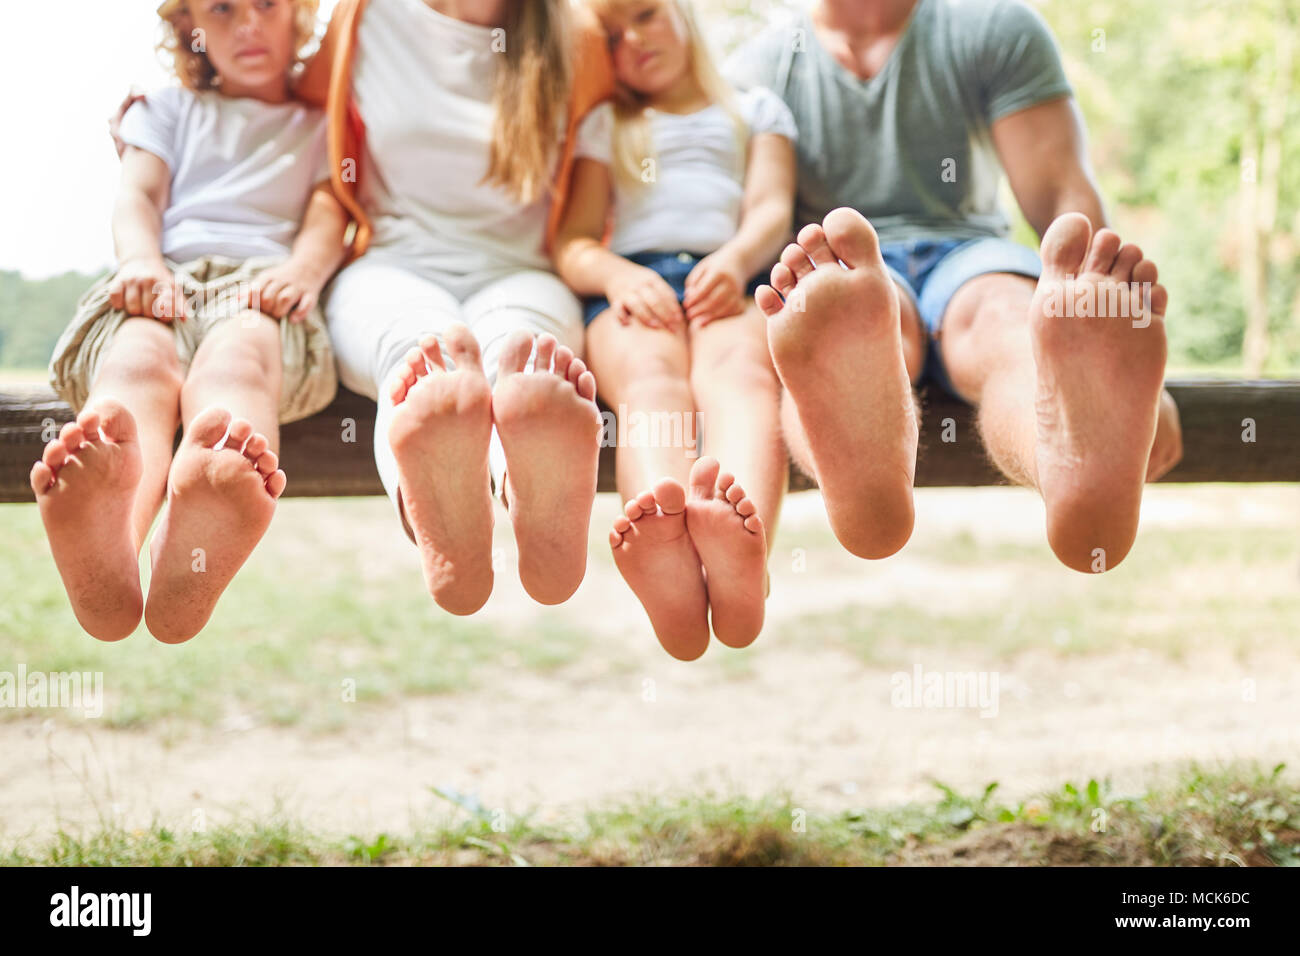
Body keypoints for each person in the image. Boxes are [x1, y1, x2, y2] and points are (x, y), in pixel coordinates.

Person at [730, 0, 1184, 573]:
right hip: (845, 272)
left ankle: (1069, 462)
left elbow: (1062, 195)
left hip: (967, 254)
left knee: (1000, 318)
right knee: (855, 322)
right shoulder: (759, 70)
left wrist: (1100, 317)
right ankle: (864, 467)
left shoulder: (991, 27)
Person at [35, 0, 347, 644]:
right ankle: (112, 537)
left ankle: (206, 499)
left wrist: (305, 273)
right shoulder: (166, 109)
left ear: (300, 17)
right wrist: (141, 263)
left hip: (262, 285)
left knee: (239, 362)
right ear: (190, 29)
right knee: (137, 362)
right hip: (165, 278)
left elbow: (327, 217)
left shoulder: (323, 126)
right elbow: (138, 196)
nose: (248, 25)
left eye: (266, 5)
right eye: (223, 10)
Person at [292, 0, 616, 614]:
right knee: (416, 354)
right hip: (392, 263)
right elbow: (276, 100)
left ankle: (523, 493)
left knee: (517, 353)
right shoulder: (364, 18)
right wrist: (174, 127)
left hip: (523, 270)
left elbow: (657, 106)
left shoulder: (578, 36)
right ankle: (450, 520)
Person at [554, 0, 796, 660]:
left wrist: (737, 261)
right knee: (651, 382)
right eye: (612, 36)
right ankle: (669, 551)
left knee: (744, 378)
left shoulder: (753, 110)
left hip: (732, 279)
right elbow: (573, 242)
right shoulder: (609, 123)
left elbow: (772, 208)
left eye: (646, 15)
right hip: (639, 285)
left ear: (685, 15)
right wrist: (615, 277)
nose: (632, 39)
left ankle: (741, 547)